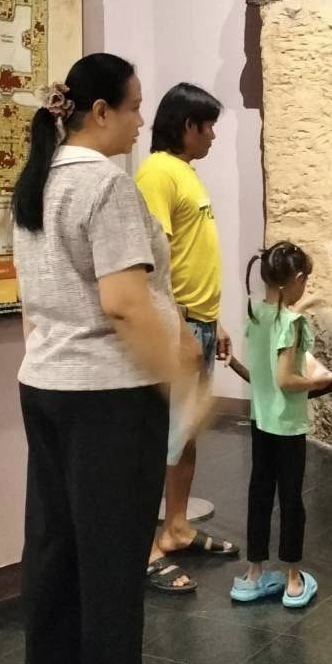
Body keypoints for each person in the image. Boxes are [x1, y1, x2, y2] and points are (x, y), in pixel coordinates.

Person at [11, 53, 193, 664]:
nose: (143, 119)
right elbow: (123, 303)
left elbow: (35, 301)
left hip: (46, 384)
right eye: (135, 105)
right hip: (108, 397)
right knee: (114, 560)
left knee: (55, 546)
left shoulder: (38, 179)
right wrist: (176, 373)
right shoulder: (106, 185)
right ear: (99, 112)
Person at [136, 82, 239, 594]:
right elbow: (153, 260)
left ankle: (176, 527)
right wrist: (178, 328)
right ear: (186, 126)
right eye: (208, 126)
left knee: (185, 434)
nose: (213, 136)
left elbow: (191, 257)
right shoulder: (157, 172)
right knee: (160, 440)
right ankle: (146, 549)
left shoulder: (183, 173)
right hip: (177, 329)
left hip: (196, 323)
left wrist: (211, 321)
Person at [224, 242, 332, 608]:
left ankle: (254, 572)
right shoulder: (293, 323)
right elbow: (286, 379)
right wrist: (316, 381)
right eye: (306, 282)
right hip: (287, 424)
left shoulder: (256, 314)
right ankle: (293, 579)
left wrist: (300, 306)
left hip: (261, 419)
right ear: (298, 279)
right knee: (290, 498)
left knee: (259, 492)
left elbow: (274, 339)